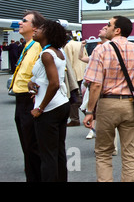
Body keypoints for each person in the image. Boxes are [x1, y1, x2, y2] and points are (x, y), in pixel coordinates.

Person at [82, 16, 134, 182]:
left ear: (117, 30)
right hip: (131, 105)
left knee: (104, 153)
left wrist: (90, 111)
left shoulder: (101, 50)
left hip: (108, 104)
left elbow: (95, 85)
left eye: (109, 25)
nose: (107, 27)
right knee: (129, 154)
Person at [28, 19, 70, 182]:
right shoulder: (57, 52)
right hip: (61, 104)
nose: (36, 30)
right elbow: (45, 79)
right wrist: (32, 83)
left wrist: (40, 108)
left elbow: (54, 83)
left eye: (41, 28)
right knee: (58, 151)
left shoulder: (47, 54)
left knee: (47, 156)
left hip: (49, 109)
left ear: (48, 33)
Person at [10, 10, 45, 181]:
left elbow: (44, 73)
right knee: (27, 145)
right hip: (21, 99)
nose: (20, 23)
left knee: (32, 146)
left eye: (24, 20)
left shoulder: (38, 46)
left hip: (29, 99)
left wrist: (37, 93)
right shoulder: (28, 45)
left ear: (35, 27)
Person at [64, 35, 88, 127]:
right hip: (83, 72)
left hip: (74, 74)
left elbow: (68, 62)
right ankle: (87, 114)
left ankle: (75, 118)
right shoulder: (79, 44)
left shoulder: (68, 46)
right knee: (80, 96)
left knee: (73, 97)